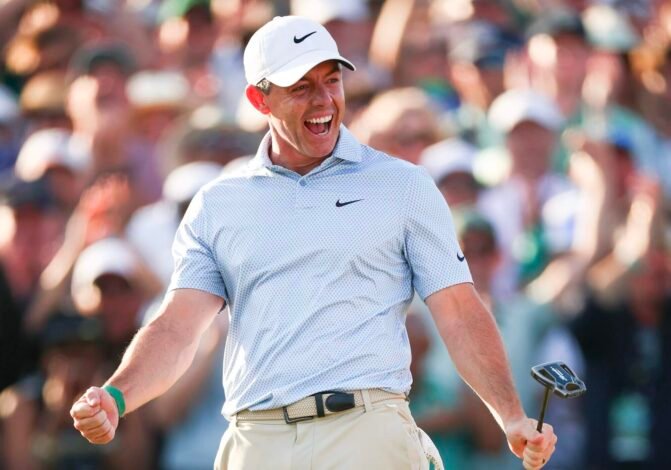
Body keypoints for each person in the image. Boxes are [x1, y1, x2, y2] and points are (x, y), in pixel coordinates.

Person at [70, 15, 557, 470]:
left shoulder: (403, 185)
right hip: (256, 439)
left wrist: (511, 415)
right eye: (301, 87)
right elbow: (178, 327)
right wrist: (117, 395)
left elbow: (459, 310)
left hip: (368, 430)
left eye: (332, 80)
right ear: (259, 100)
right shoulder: (217, 204)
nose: (324, 100)